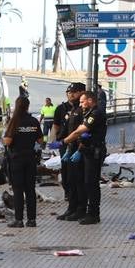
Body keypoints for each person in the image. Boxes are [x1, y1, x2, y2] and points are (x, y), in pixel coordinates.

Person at [55, 89, 107, 224]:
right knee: (85, 182)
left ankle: (94, 214)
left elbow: (80, 131)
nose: (81, 104)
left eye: (83, 101)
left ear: (90, 100)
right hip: (87, 150)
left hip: (94, 151)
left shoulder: (95, 113)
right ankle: (86, 211)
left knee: (91, 183)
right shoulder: (88, 113)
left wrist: (63, 142)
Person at [2, 95, 42, 228]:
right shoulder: (34, 121)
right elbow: (41, 141)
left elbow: (7, 141)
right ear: (28, 106)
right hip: (30, 158)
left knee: (18, 190)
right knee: (30, 190)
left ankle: (18, 220)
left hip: (16, 159)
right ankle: (32, 220)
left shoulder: (14, 122)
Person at [51, 83, 85, 220]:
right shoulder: (62, 108)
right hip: (66, 146)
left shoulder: (84, 109)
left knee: (79, 180)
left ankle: (80, 209)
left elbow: (83, 132)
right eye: (69, 92)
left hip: (78, 147)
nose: (71, 94)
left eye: (74, 92)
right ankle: (71, 207)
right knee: (67, 178)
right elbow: (57, 127)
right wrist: (54, 144)